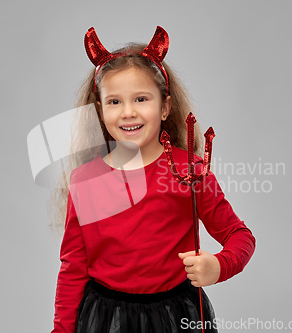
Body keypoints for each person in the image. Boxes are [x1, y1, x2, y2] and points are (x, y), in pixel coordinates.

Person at [49, 26, 256, 333]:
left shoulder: (191, 171)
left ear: (165, 107)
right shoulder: (86, 180)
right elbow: (73, 270)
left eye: (141, 99)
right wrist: (61, 331)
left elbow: (240, 236)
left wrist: (219, 265)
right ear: (100, 111)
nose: (128, 112)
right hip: (106, 320)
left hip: (175, 316)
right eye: (114, 102)